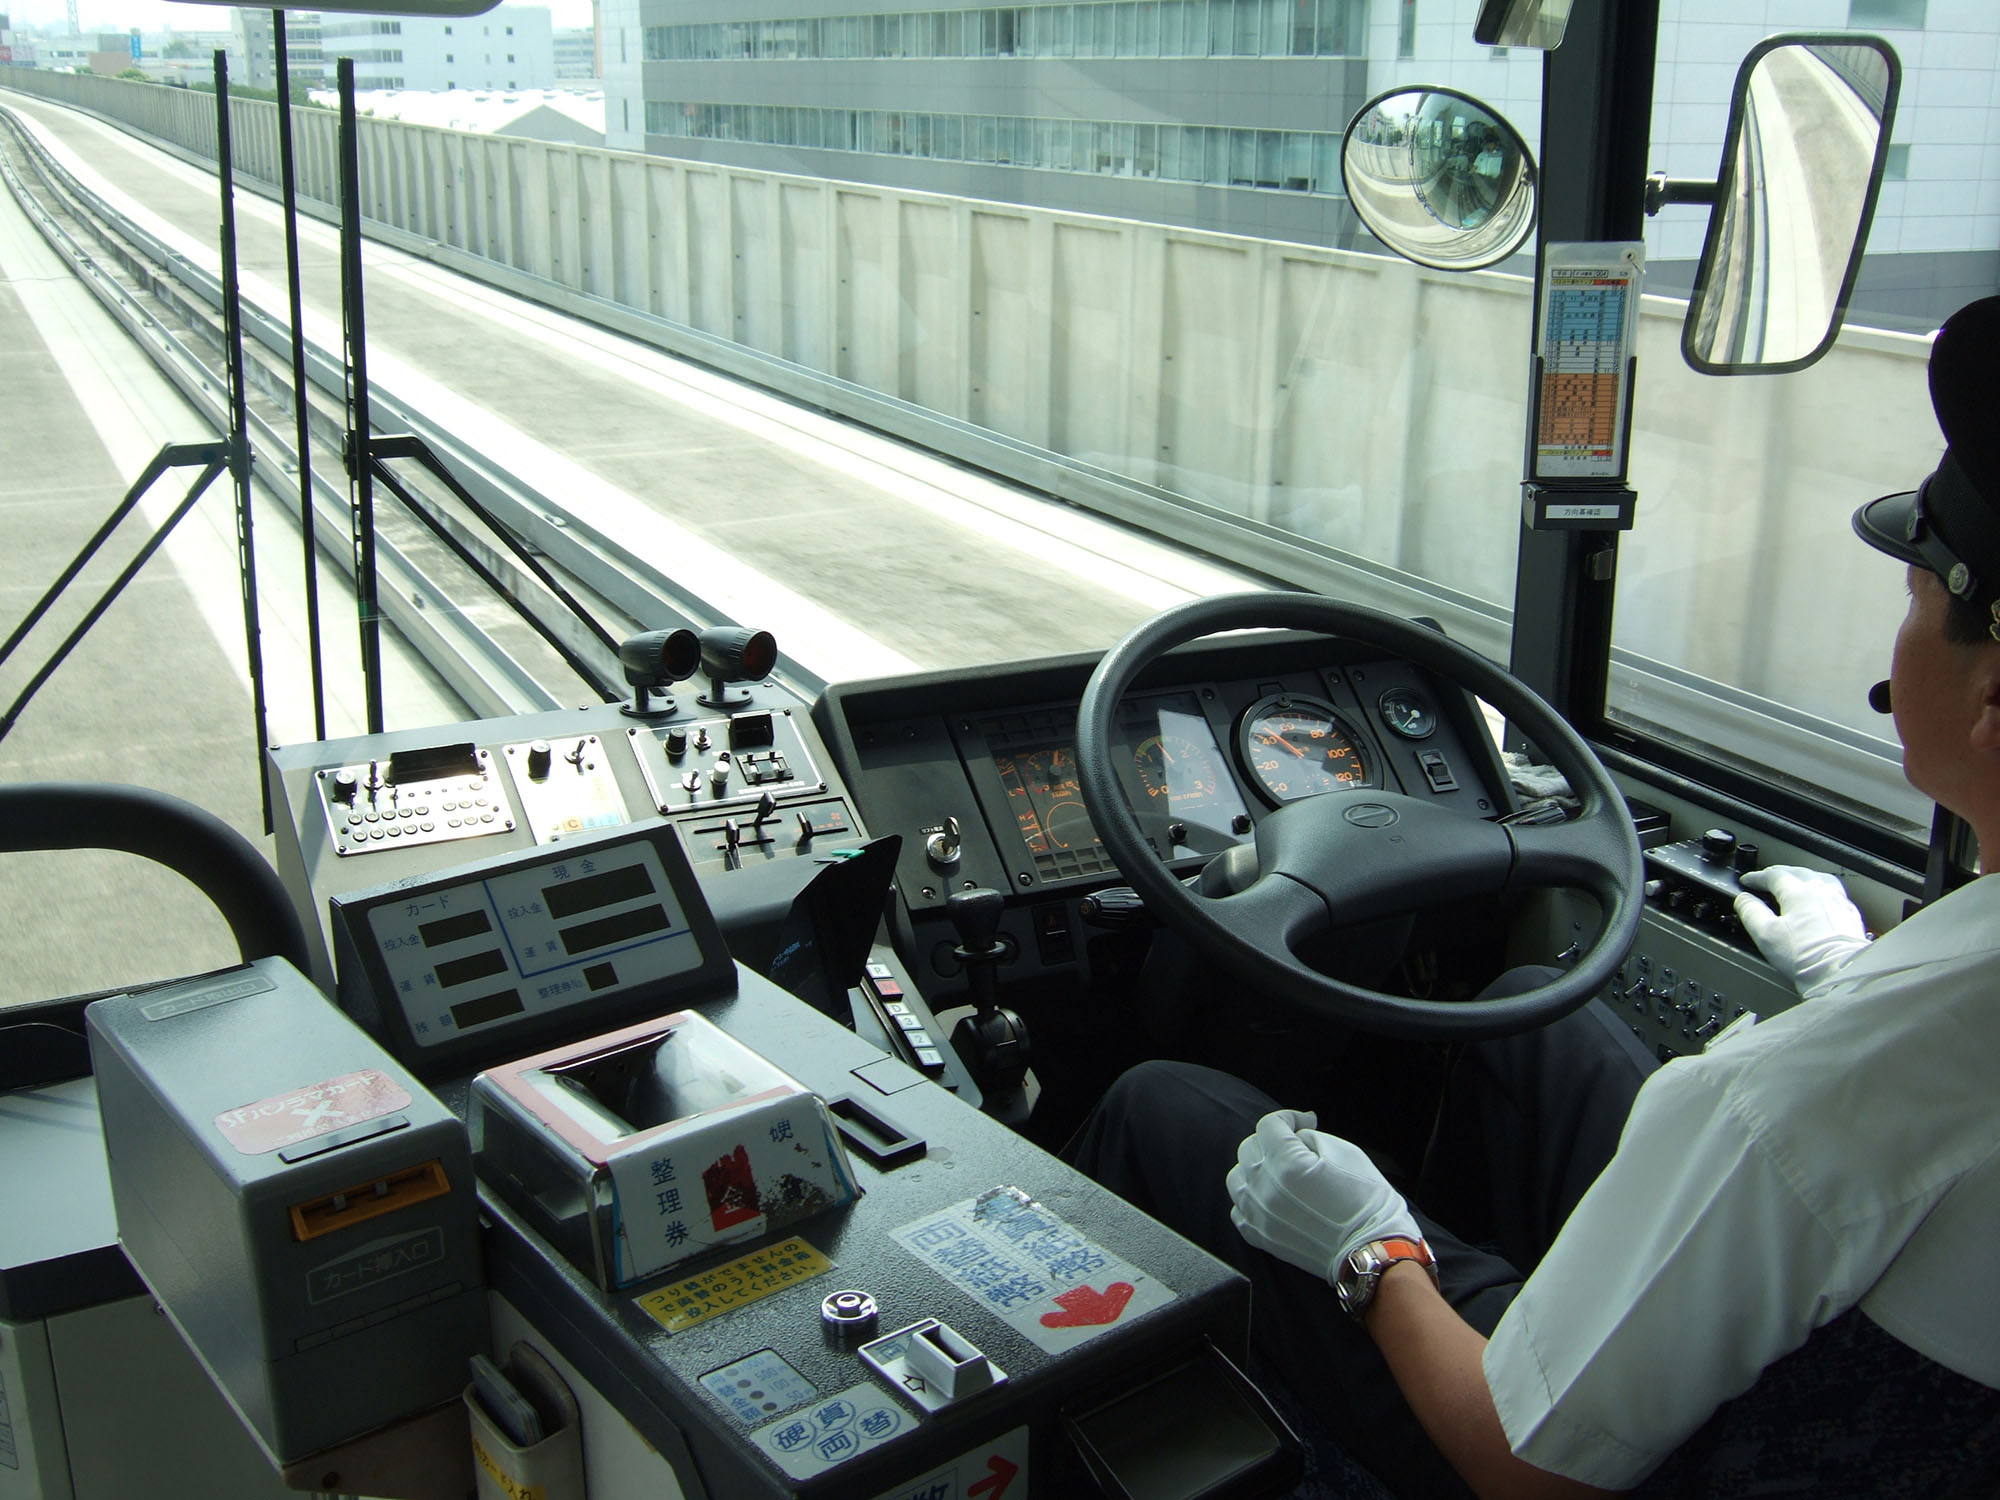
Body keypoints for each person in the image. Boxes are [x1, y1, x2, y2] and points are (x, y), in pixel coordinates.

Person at [1069, 295, 2000, 1498]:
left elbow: (1526, 1469)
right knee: (1529, 1010)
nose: (1901, 624)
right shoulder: (1916, 1032)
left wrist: (1371, 1248)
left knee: (1163, 1106)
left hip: (1579, 1457)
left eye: (1919, 591)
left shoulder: (1792, 1107)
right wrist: (1844, 973)